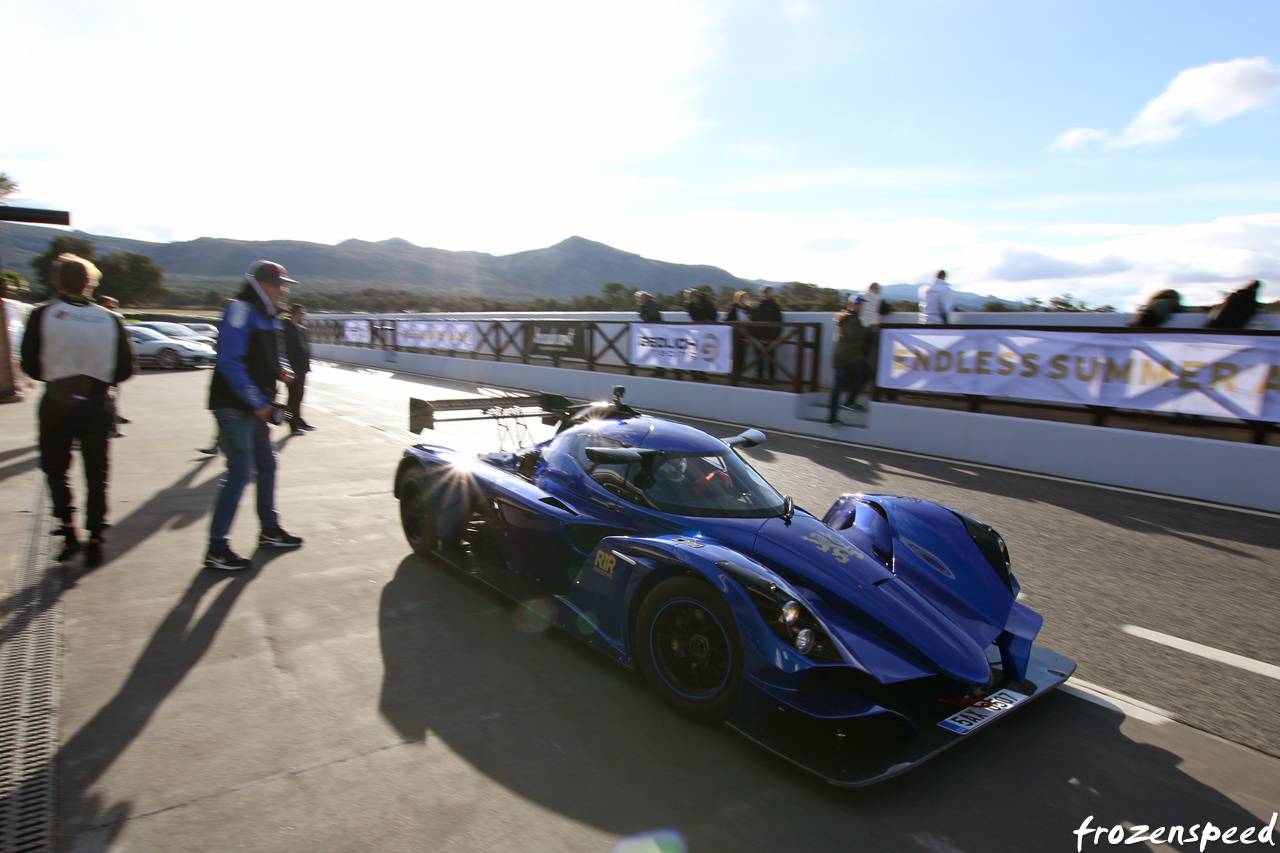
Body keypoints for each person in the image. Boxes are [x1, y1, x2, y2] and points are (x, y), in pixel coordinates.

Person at [19, 254, 134, 567]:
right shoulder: (110, 318)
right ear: (90, 282)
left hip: (58, 399)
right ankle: (96, 536)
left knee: (56, 469)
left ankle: (69, 530)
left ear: (57, 280)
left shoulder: (42, 314)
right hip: (98, 401)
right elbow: (125, 368)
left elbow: (30, 364)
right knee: (96, 472)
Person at [204, 260, 304, 571]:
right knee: (239, 473)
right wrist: (257, 402)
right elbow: (230, 363)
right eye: (277, 285)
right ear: (259, 285)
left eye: (285, 285)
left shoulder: (265, 315)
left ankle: (269, 530)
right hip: (238, 409)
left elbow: (256, 355)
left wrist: (277, 370)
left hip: (256, 408)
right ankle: (216, 548)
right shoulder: (241, 310)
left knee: (267, 466)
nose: (283, 291)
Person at [827, 296, 873, 425]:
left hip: (840, 356)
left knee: (837, 388)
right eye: (859, 305)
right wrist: (872, 328)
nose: (861, 307)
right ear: (852, 305)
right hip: (850, 356)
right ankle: (850, 400)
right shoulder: (851, 319)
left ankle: (832, 418)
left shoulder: (845, 318)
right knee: (866, 372)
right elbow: (855, 334)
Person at [283, 303, 315, 435]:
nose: (303, 316)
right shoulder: (286, 330)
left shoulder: (300, 329)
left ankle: (298, 420)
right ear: (295, 314)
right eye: (302, 313)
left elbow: (305, 349)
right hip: (293, 370)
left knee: (299, 396)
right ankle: (292, 424)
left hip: (302, 368)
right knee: (293, 398)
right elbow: (287, 351)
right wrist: (291, 369)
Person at [752, 286, 783, 382]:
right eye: (768, 292)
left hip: (771, 337)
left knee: (771, 358)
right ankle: (759, 376)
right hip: (759, 336)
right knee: (759, 358)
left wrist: (776, 336)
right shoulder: (758, 306)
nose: (770, 294)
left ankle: (771, 378)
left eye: (771, 292)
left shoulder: (775, 306)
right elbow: (753, 319)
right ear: (763, 294)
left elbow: (779, 321)